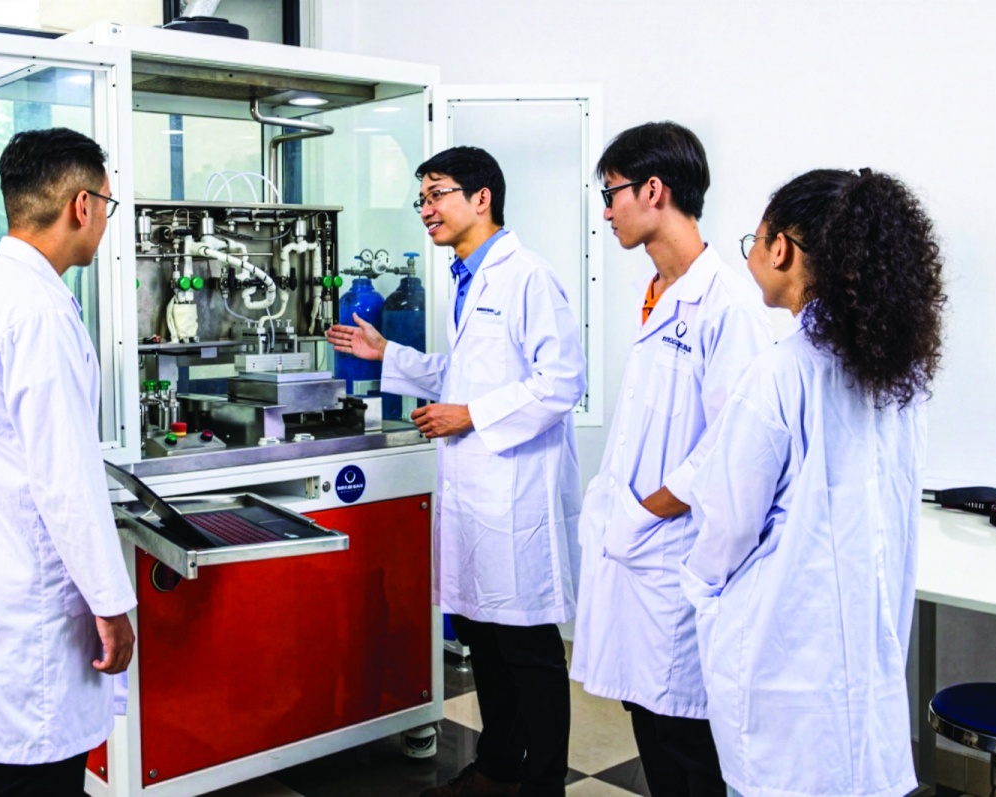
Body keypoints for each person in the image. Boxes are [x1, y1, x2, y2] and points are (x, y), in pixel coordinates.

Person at [327, 146, 585, 797]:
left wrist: (471, 414)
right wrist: (389, 354)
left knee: (527, 650)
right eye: (422, 197)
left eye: (437, 193)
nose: (426, 209)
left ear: (482, 198)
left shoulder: (528, 277)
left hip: (516, 495)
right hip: (475, 493)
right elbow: (464, 372)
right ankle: (497, 769)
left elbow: (560, 383)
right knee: (483, 638)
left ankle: (543, 784)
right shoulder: (466, 280)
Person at [681, 168, 946, 797]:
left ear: (781, 250)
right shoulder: (900, 380)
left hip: (783, 666)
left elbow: (728, 525)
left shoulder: (781, 373)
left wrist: (704, 591)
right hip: (860, 666)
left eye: (755, 238)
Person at [569, 122, 772, 797]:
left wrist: (644, 511)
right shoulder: (656, 291)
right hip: (639, 546)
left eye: (612, 194)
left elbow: (729, 449)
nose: (606, 211)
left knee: (685, 741)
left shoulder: (727, 306)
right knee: (650, 721)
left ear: (653, 190)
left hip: (676, 549)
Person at [0, 127, 137, 797]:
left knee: (23, 777)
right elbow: (65, 480)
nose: (105, 218)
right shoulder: (38, 311)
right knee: (37, 782)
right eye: (107, 203)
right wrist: (111, 604)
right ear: (82, 205)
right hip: (36, 600)